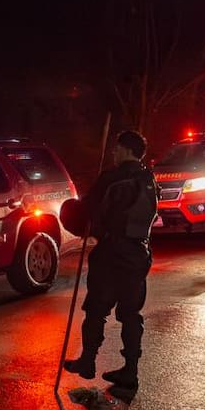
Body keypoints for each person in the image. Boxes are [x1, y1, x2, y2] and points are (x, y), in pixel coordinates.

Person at [63, 130, 158, 391]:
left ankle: (88, 361)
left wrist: (75, 214)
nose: (114, 153)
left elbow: (87, 214)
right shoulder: (149, 179)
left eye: (117, 149)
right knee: (130, 313)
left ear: (127, 150)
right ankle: (130, 371)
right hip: (139, 252)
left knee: (96, 309)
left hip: (110, 252)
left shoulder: (111, 178)